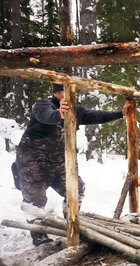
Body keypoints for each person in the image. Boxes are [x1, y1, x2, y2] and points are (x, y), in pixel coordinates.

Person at [14, 83, 131, 246]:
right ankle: (38, 233)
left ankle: (70, 220)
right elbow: (45, 115)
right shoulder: (43, 105)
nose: (72, 94)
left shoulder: (76, 111)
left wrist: (121, 113)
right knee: (34, 199)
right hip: (33, 162)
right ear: (57, 94)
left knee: (77, 189)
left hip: (59, 162)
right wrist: (58, 114)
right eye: (67, 91)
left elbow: (96, 115)